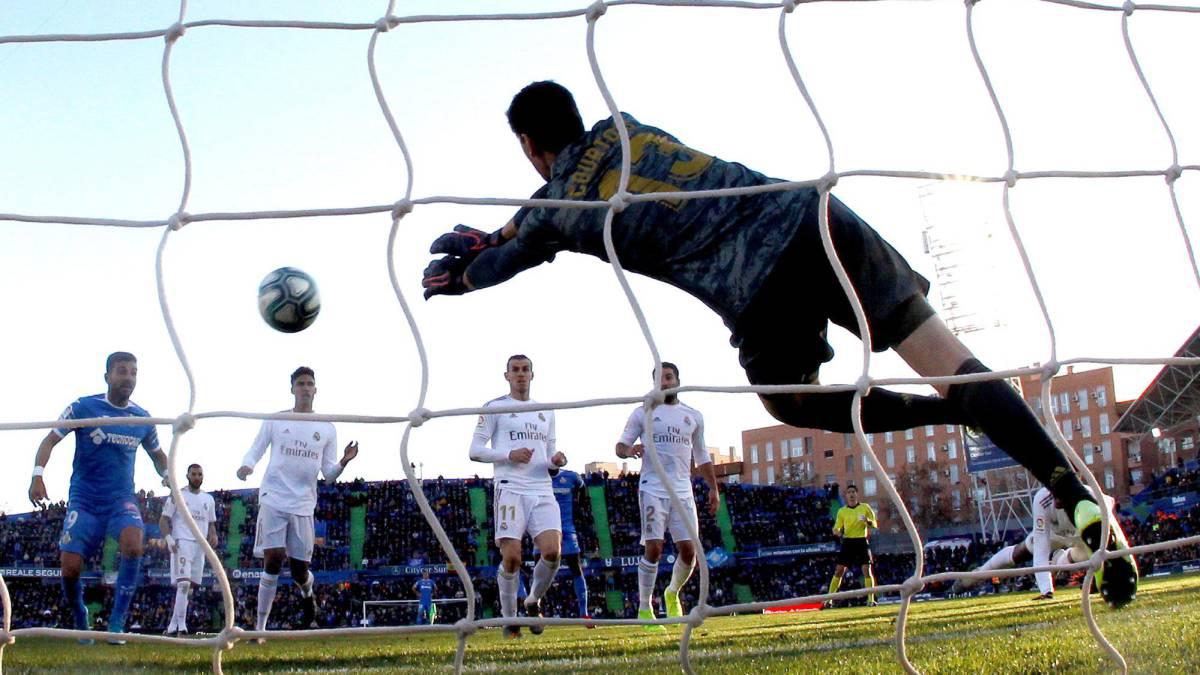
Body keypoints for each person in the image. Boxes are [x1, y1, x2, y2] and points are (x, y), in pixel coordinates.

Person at [421, 80, 1137, 608]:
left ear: (528, 147)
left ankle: (950, 413)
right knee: (956, 364)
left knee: (790, 401)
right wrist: (502, 232)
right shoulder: (621, 125)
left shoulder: (557, 211)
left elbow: (504, 255)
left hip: (758, 286)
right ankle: (1074, 493)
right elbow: (542, 204)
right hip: (811, 213)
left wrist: (465, 272)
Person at [28, 351, 168, 644]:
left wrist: (168, 475)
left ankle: (117, 624)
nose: (128, 377)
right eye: (121, 371)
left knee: (134, 544)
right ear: (107, 376)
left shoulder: (143, 418)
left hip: (121, 500)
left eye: (133, 372)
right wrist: (37, 475)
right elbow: (50, 439)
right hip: (85, 501)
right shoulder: (83, 407)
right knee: (70, 568)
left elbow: (158, 455)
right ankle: (81, 618)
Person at [238, 366, 359, 641]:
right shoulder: (276, 419)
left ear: (316, 390)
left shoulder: (327, 427)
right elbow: (257, 448)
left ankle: (307, 592)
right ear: (292, 389)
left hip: (303, 503)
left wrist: (344, 461)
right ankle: (260, 629)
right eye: (300, 383)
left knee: (299, 570)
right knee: (272, 559)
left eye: (309, 383)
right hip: (273, 496)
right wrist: (247, 465)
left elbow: (328, 475)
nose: (305, 387)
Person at [615, 362, 719, 630]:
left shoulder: (693, 416)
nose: (664, 382)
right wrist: (629, 451)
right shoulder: (643, 413)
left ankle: (671, 593)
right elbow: (620, 446)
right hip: (653, 487)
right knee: (654, 548)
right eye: (659, 378)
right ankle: (644, 609)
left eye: (669, 377)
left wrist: (713, 488)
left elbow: (702, 456)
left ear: (678, 381)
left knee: (689, 551)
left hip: (682, 490)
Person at [469, 354, 567, 638]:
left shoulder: (546, 411)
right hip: (510, 487)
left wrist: (556, 462)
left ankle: (533, 601)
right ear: (507, 376)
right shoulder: (494, 408)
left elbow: (549, 460)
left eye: (525, 370)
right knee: (512, 558)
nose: (521, 374)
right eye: (516, 370)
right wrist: (508, 454)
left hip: (542, 489)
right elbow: (475, 451)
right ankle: (510, 620)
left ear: (532, 375)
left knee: (553, 553)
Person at [955, 485, 1113, 599]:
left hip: (1083, 537)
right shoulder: (1043, 498)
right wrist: (1046, 590)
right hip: (1053, 534)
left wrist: (1101, 579)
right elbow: (1041, 549)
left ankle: (1060, 559)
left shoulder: (1093, 499)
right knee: (1022, 552)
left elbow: (1108, 542)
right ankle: (977, 574)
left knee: (1087, 556)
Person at [159, 463, 218, 636]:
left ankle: (172, 626)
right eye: (194, 474)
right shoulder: (178, 495)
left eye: (200, 474)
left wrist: (213, 534)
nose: (197, 477)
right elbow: (163, 519)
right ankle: (182, 627)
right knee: (183, 583)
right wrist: (169, 538)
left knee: (189, 587)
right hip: (182, 542)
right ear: (187, 476)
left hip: (200, 545)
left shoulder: (209, 499)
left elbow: (211, 523)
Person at [551, 468, 593, 624]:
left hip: (567, 528)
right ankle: (535, 608)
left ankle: (584, 613)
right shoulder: (537, 476)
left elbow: (582, 488)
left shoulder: (571, 476)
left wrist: (581, 506)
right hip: (545, 529)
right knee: (541, 568)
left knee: (575, 567)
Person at [825, 485, 878, 608]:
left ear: (857, 494)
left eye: (853, 491)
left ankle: (871, 599)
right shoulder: (842, 511)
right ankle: (829, 600)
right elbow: (836, 527)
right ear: (846, 495)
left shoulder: (865, 507)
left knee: (867, 570)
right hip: (848, 542)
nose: (851, 494)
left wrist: (867, 521)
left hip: (861, 541)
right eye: (849, 492)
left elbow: (875, 524)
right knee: (839, 570)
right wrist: (837, 532)